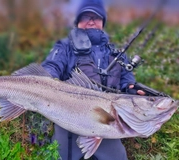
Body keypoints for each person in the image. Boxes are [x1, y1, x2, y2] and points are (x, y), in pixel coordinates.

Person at [42, 0, 144, 159]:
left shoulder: (117, 54)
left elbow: (126, 80)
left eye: (96, 17)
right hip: (68, 122)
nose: (91, 20)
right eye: (85, 16)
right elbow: (51, 67)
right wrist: (46, 80)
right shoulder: (64, 47)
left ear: (103, 22)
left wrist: (131, 89)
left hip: (107, 126)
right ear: (77, 22)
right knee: (58, 155)